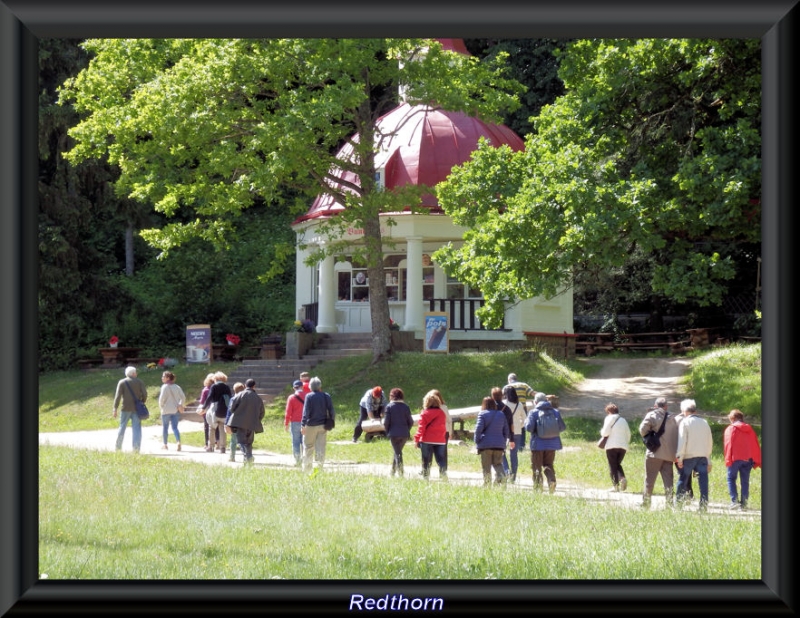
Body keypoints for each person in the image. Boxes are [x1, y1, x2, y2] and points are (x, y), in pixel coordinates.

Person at [638, 396, 679, 509]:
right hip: (669, 455)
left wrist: (649, 435)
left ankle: (646, 503)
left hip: (654, 453)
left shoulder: (652, 415)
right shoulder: (673, 418)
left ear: (655, 405)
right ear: (666, 406)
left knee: (649, 479)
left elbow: (642, 430)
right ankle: (669, 504)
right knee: (668, 480)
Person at [675, 398, 713, 512]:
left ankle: (679, 505)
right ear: (694, 410)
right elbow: (709, 441)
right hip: (702, 456)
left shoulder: (685, 422)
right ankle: (703, 506)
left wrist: (679, 457)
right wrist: (708, 458)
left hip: (688, 456)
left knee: (683, 479)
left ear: (684, 411)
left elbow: (682, 441)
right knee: (703, 481)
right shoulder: (704, 422)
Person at [524, 392, 566, 493]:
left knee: (536, 466)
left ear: (535, 402)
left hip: (537, 445)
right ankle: (551, 481)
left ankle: (538, 488)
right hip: (552, 445)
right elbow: (562, 427)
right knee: (548, 464)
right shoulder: (555, 412)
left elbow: (529, 428)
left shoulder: (533, 412)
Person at [723, 409, 762, 510]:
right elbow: (755, 444)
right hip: (748, 459)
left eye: (730, 418)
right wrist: (756, 459)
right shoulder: (750, 429)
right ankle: (744, 504)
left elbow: (728, 445)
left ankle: (734, 501)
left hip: (735, 458)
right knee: (745, 481)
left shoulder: (731, 429)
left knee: (731, 478)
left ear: (733, 418)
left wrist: (728, 459)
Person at [226, 379, 265, 465]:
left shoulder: (240, 395)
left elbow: (232, 408)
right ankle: (249, 458)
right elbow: (262, 412)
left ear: (245, 385)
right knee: (249, 443)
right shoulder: (258, 398)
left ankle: (247, 457)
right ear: (254, 386)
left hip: (239, 423)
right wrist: (256, 419)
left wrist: (237, 415)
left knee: (241, 442)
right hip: (252, 424)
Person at [300, 376, 335, 473]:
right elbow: (331, 410)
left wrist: (303, 425)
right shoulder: (326, 396)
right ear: (320, 386)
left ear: (310, 387)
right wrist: (331, 421)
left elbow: (306, 412)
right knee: (321, 447)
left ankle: (307, 469)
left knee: (308, 447)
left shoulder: (309, 396)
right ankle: (319, 469)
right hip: (323, 425)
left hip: (310, 425)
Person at [474, 396, 511, 486]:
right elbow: (506, 430)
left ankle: (487, 484)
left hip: (486, 445)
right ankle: (502, 477)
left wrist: (477, 440)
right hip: (499, 445)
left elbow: (478, 429)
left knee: (486, 466)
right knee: (498, 464)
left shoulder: (482, 414)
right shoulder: (501, 414)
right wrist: (503, 441)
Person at [112, 365, 147, 453]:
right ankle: (136, 449)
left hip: (125, 408)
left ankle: (118, 448)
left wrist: (115, 408)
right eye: (136, 372)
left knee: (122, 427)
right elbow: (145, 394)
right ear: (133, 373)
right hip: (136, 408)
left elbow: (118, 396)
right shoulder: (139, 382)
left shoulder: (122, 382)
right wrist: (142, 401)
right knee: (136, 429)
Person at [414, 391, 448, 480]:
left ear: (426, 402)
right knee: (441, 460)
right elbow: (443, 426)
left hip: (427, 440)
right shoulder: (441, 413)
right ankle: (444, 477)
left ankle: (426, 478)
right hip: (440, 440)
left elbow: (421, 428)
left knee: (426, 460)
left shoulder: (424, 413)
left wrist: (416, 439)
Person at [382, 387, 415, 477]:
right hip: (404, 434)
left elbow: (386, 422)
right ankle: (392, 472)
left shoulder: (389, 407)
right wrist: (407, 430)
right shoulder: (406, 407)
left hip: (393, 434)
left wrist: (388, 431)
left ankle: (401, 473)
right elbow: (411, 422)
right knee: (397, 452)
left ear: (391, 396)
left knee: (398, 453)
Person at [599, 403, 631, 492]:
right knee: (617, 464)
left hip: (611, 445)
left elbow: (605, 432)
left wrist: (601, 432)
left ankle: (615, 486)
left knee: (612, 466)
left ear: (609, 411)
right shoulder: (623, 420)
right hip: (623, 446)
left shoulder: (609, 418)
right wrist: (625, 442)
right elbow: (628, 434)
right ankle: (622, 478)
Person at [199, 371, 232, 453]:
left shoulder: (214, 386)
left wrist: (203, 408)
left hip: (214, 410)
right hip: (224, 410)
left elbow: (209, 398)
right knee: (222, 428)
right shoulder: (227, 387)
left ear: (215, 379)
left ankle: (211, 447)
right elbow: (231, 398)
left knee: (212, 428)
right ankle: (223, 447)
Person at [492, 386, 518, 481]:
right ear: (502, 396)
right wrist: (511, 439)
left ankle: (503, 473)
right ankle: (504, 472)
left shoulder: (491, 408)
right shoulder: (506, 409)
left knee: (494, 456)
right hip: (504, 435)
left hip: (492, 434)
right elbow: (511, 425)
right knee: (501, 454)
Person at [158, 370, 186, 451]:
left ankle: (165, 444)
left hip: (166, 410)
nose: (162, 378)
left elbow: (161, 399)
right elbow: (183, 397)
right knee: (175, 427)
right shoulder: (177, 387)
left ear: (167, 378)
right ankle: (178, 441)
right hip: (175, 410)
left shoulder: (164, 387)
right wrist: (180, 404)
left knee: (165, 427)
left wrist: (162, 407)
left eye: (163, 376)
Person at [506, 372, 536, 449]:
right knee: (522, 426)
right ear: (516, 379)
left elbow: (502, 397)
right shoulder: (524, 385)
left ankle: (511, 444)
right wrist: (542, 396)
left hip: (509, 409)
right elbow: (533, 393)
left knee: (510, 426)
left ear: (509, 379)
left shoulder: (507, 386)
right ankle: (521, 445)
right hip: (522, 408)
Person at [284, 379, 306, 466]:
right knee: (305, 442)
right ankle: (305, 459)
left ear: (294, 388)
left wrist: (286, 423)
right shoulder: (307, 396)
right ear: (302, 387)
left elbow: (288, 411)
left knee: (295, 442)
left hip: (295, 422)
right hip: (305, 422)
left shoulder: (291, 397)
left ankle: (297, 460)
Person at [428, 389, 452, 468]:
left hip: (438, 432)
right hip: (444, 432)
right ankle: (443, 471)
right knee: (443, 453)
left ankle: (439, 470)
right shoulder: (444, 407)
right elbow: (449, 421)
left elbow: (448, 420)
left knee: (434, 452)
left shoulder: (439, 408)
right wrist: (450, 432)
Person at [225, 382, 245, 462]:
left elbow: (229, 412)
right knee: (243, 440)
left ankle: (232, 457)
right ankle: (246, 456)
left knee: (233, 440)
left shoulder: (233, 399)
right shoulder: (245, 399)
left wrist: (226, 423)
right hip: (243, 422)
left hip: (233, 422)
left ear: (234, 390)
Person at [197, 372, 217, 450]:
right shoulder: (216, 388)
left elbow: (202, 401)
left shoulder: (205, 390)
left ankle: (207, 443)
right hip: (215, 409)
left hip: (206, 410)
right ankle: (216, 442)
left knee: (207, 426)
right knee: (217, 426)